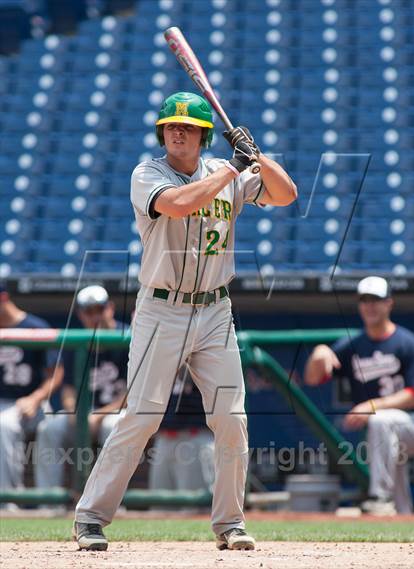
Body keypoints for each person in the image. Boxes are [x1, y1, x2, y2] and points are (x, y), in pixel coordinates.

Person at [73, 91, 297, 551]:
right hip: (162, 309)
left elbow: (286, 194)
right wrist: (236, 168)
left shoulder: (224, 170)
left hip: (216, 309)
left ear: (203, 135)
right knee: (142, 416)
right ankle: (90, 517)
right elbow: (177, 204)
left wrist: (258, 156)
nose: (178, 131)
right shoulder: (148, 173)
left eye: (188, 126)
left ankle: (230, 523)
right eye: (171, 125)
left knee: (232, 418)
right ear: (162, 132)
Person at [304, 276, 414, 514]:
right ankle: (400, 519)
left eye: (375, 300)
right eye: (365, 300)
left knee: (380, 420)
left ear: (389, 303)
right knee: (387, 442)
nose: (370, 306)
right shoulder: (352, 345)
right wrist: (320, 352)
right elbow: (313, 378)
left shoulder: (407, 342)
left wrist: (372, 405)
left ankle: (379, 498)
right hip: (388, 431)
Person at [35, 285, 127, 489]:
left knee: (112, 427)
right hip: (84, 413)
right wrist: (73, 412)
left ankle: (112, 501)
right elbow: (68, 389)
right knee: (49, 428)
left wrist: (98, 415)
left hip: (117, 411)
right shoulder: (77, 341)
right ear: (80, 314)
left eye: (99, 309)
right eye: (88, 311)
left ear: (110, 307)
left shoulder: (129, 337)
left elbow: (135, 391)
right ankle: (48, 501)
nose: (94, 316)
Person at [0, 281, 63, 492]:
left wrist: (35, 398)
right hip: (4, 402)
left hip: (33, 402)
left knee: (46, 429)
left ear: (3, 298)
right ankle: (9, 501)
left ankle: (44, 501)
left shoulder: (35, 326)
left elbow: (56, 373)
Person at [148, 365, 214, 494]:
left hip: (195, 437)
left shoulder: (205, 349)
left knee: (194, 510)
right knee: (159, 509)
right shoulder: (154, 351)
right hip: (163, 440)